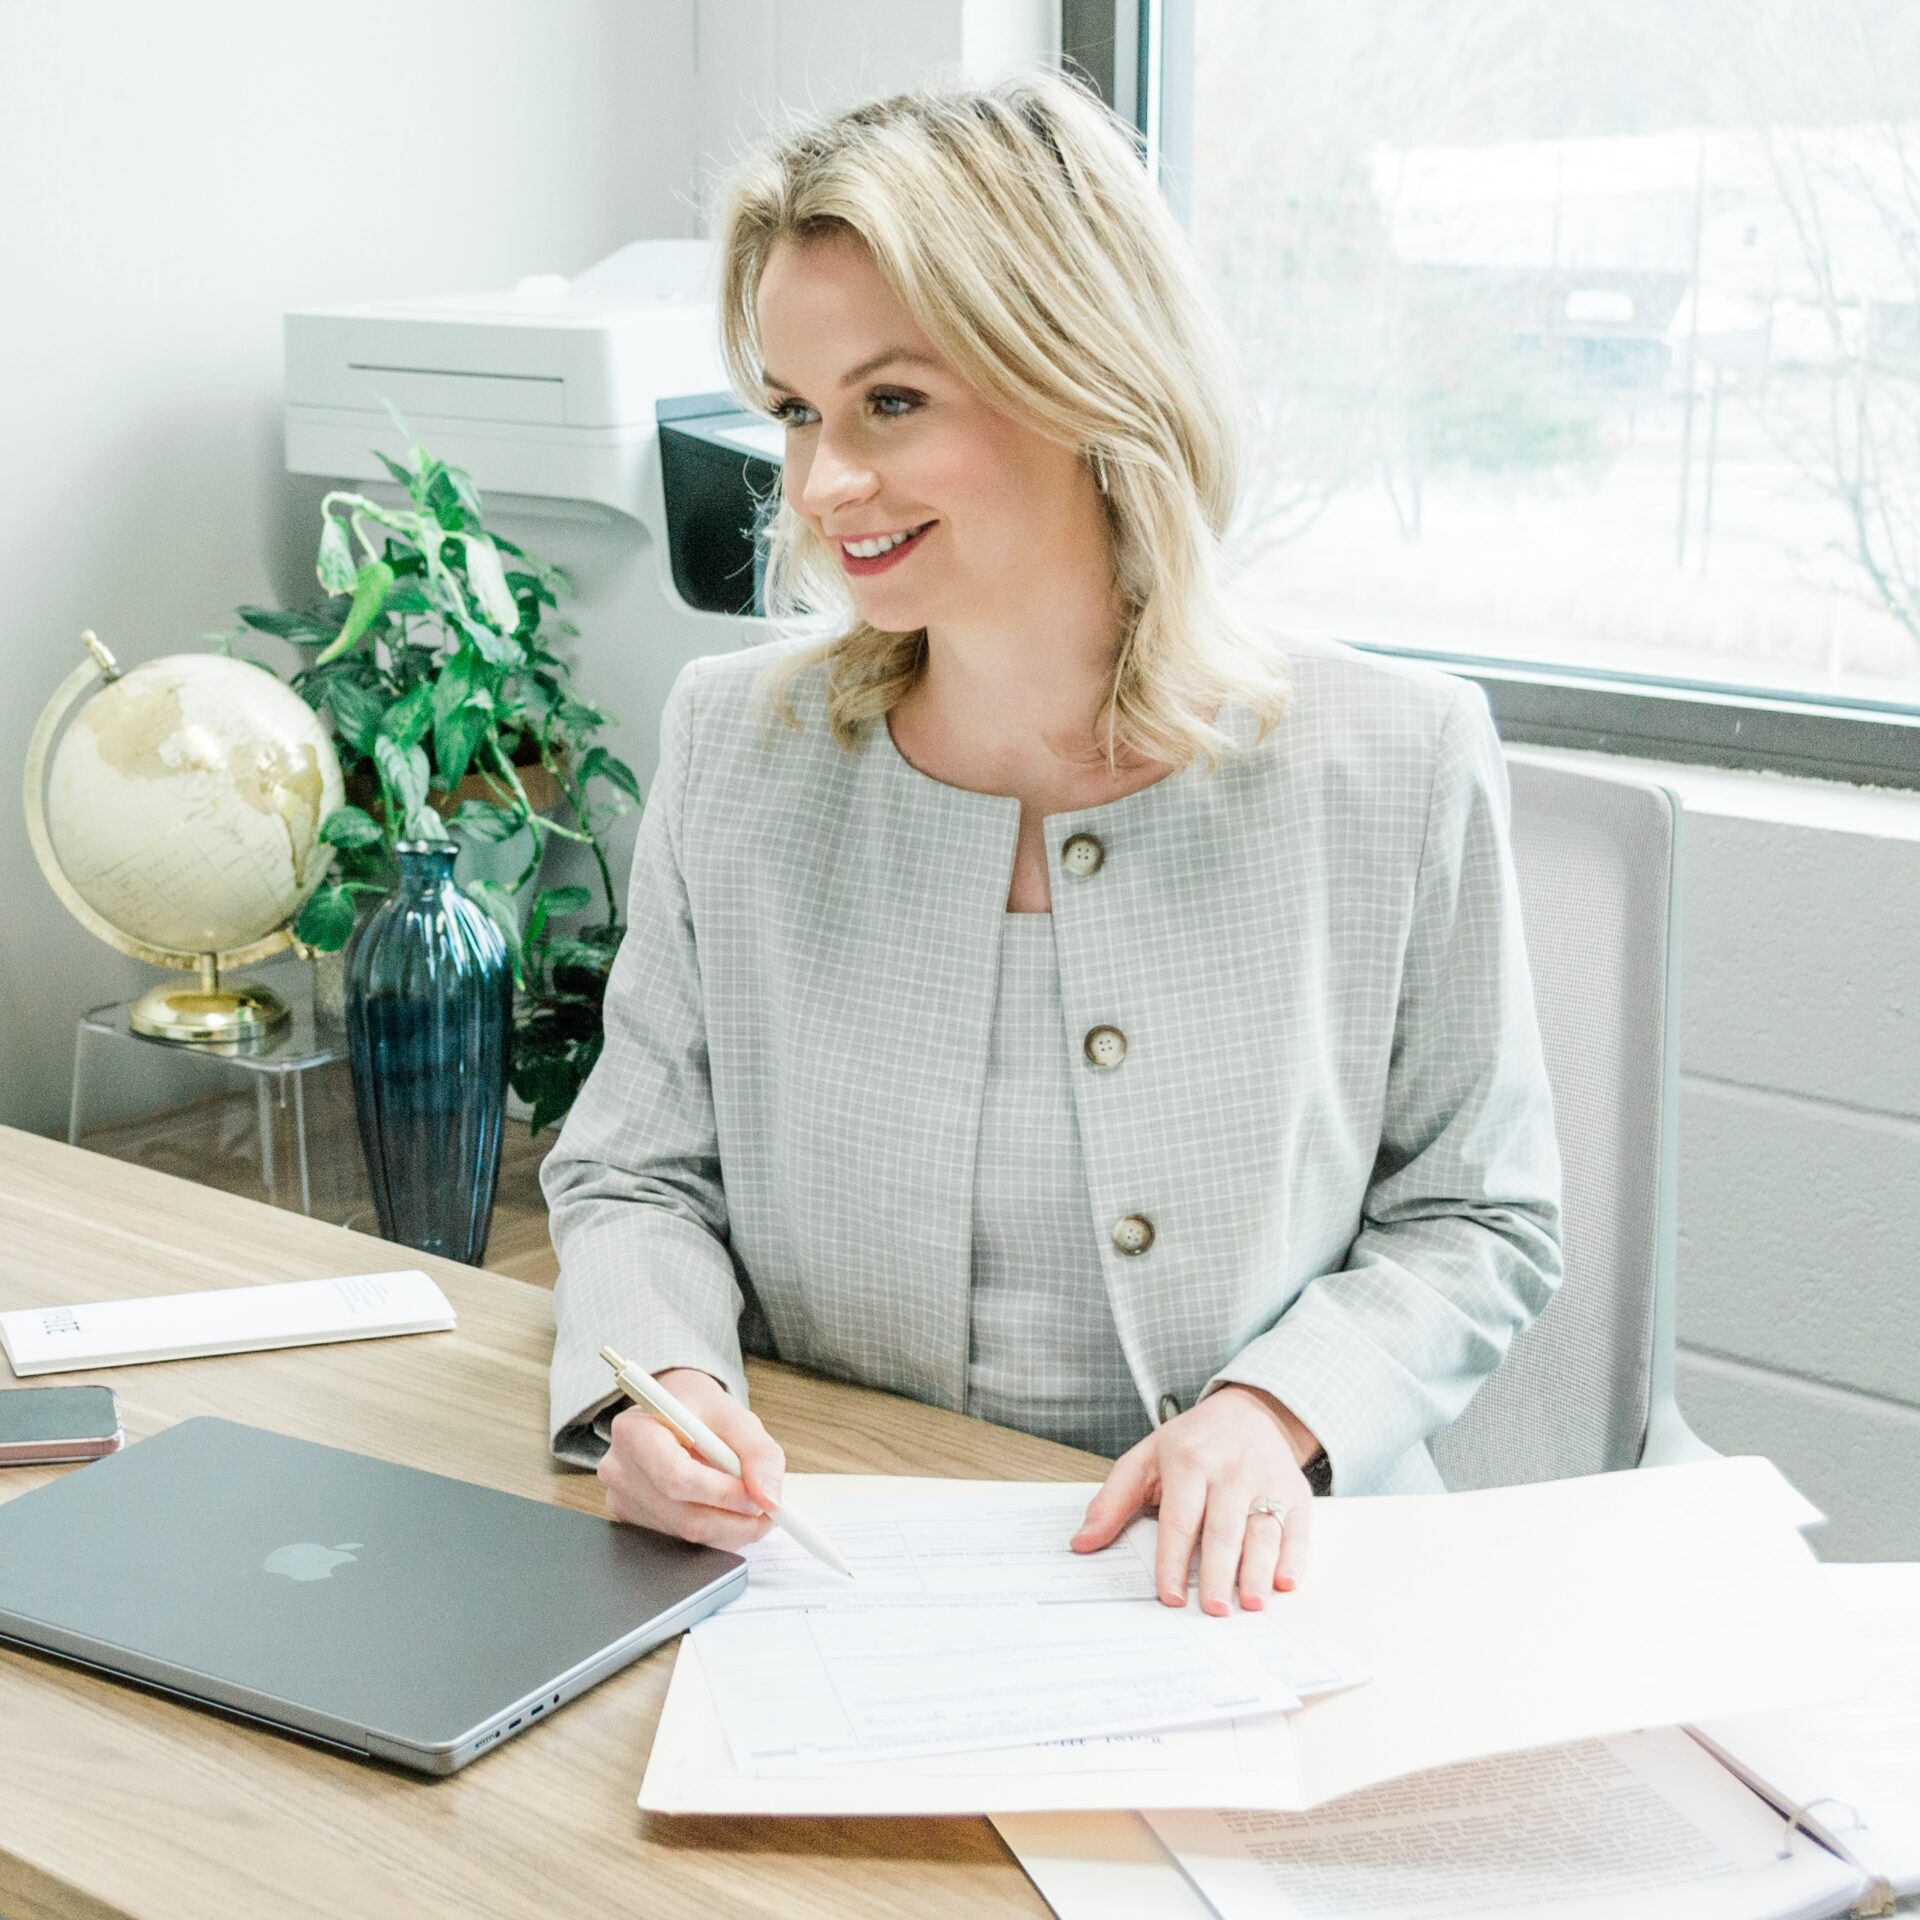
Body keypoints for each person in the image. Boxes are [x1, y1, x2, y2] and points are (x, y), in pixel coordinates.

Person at [542, 68, 1563, 1618]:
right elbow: (632, 1171)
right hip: (828, 1564)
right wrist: (662, 1392)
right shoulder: (733, 745)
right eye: (797, 413)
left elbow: (1479, 1213)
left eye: (892, 402)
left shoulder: (1397, 759)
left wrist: (1275, 1413)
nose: (821, 485)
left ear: (1083, 374)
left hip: (1240, 1584)